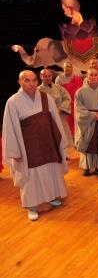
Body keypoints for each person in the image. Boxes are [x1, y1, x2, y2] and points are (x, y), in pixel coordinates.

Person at [2, 70, 68, 221]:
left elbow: (55, 121)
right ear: (19, 82)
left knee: (49, 169)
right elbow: (9, 129)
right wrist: (15, 151)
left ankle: (51, 197)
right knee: (31, 175)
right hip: (27, 147)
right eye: (27, 80)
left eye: (33, 80)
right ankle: (31, 206)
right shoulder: (13, 102)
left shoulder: (46, 98)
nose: (31, 83)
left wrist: (59, 140)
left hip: (47, 142)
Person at [75, 68, 98, 177]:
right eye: (91, 75)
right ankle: (86, 166)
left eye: (96, 75)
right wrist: (92, 116)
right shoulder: (80, 92)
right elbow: (79, 109)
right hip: (87, 122)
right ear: (87, 76)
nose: (93, 77)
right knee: (87, 143)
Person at [38, 68, 73, 147]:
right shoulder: (38, 90)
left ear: (52, 76)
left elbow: (67, 98)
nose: (47, 78)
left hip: (60, 116)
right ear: (41, 77)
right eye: (45, 76)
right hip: (46, 119)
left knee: (65, 137)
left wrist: (60, 108)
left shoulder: (59, 87)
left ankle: (69, 155)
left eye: (49, 76)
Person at [55, 61, 83, 136]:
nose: (67, 68)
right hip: (66, 104)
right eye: (66, 66)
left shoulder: (77, 78)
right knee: (67, 124)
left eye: (69, 66)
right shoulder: (59, 78)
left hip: (76, 103)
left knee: (77, 121)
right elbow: (57, 93)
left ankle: (77, 136)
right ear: (63, 68)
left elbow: (81, 92)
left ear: (72, 68)